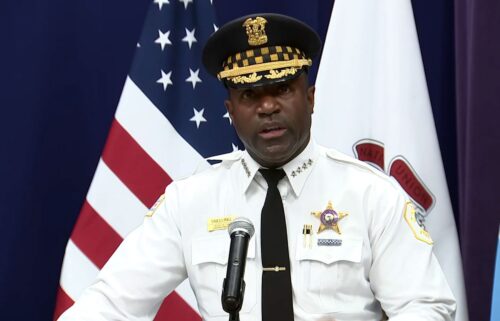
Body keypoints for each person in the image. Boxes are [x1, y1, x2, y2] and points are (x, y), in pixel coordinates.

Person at [58, 13, 456, 321]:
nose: (267, 107)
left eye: (282, 88)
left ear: (311, 97)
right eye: (250, 95)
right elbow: (109, 305)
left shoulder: (370, 195)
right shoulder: (191, 201)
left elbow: (424, 306)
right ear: (231, 111)